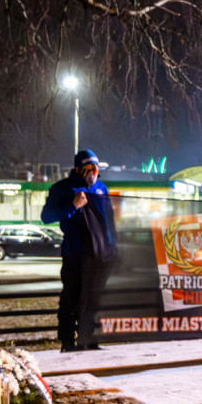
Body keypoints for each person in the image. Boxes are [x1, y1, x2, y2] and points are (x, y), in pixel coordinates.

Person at [41, 149, 118, 352]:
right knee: (71, 298)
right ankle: (68, 342)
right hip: (75, 254)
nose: (93, 172)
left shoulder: (101, 189)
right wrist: (72, 206)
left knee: (94, 298)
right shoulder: (63, 188)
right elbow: (47, 216)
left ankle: (90, 339)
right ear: (77, 169)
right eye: (88, 168)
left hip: (99, 255)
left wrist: (112, 246)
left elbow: (109, 221)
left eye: (96, 168)